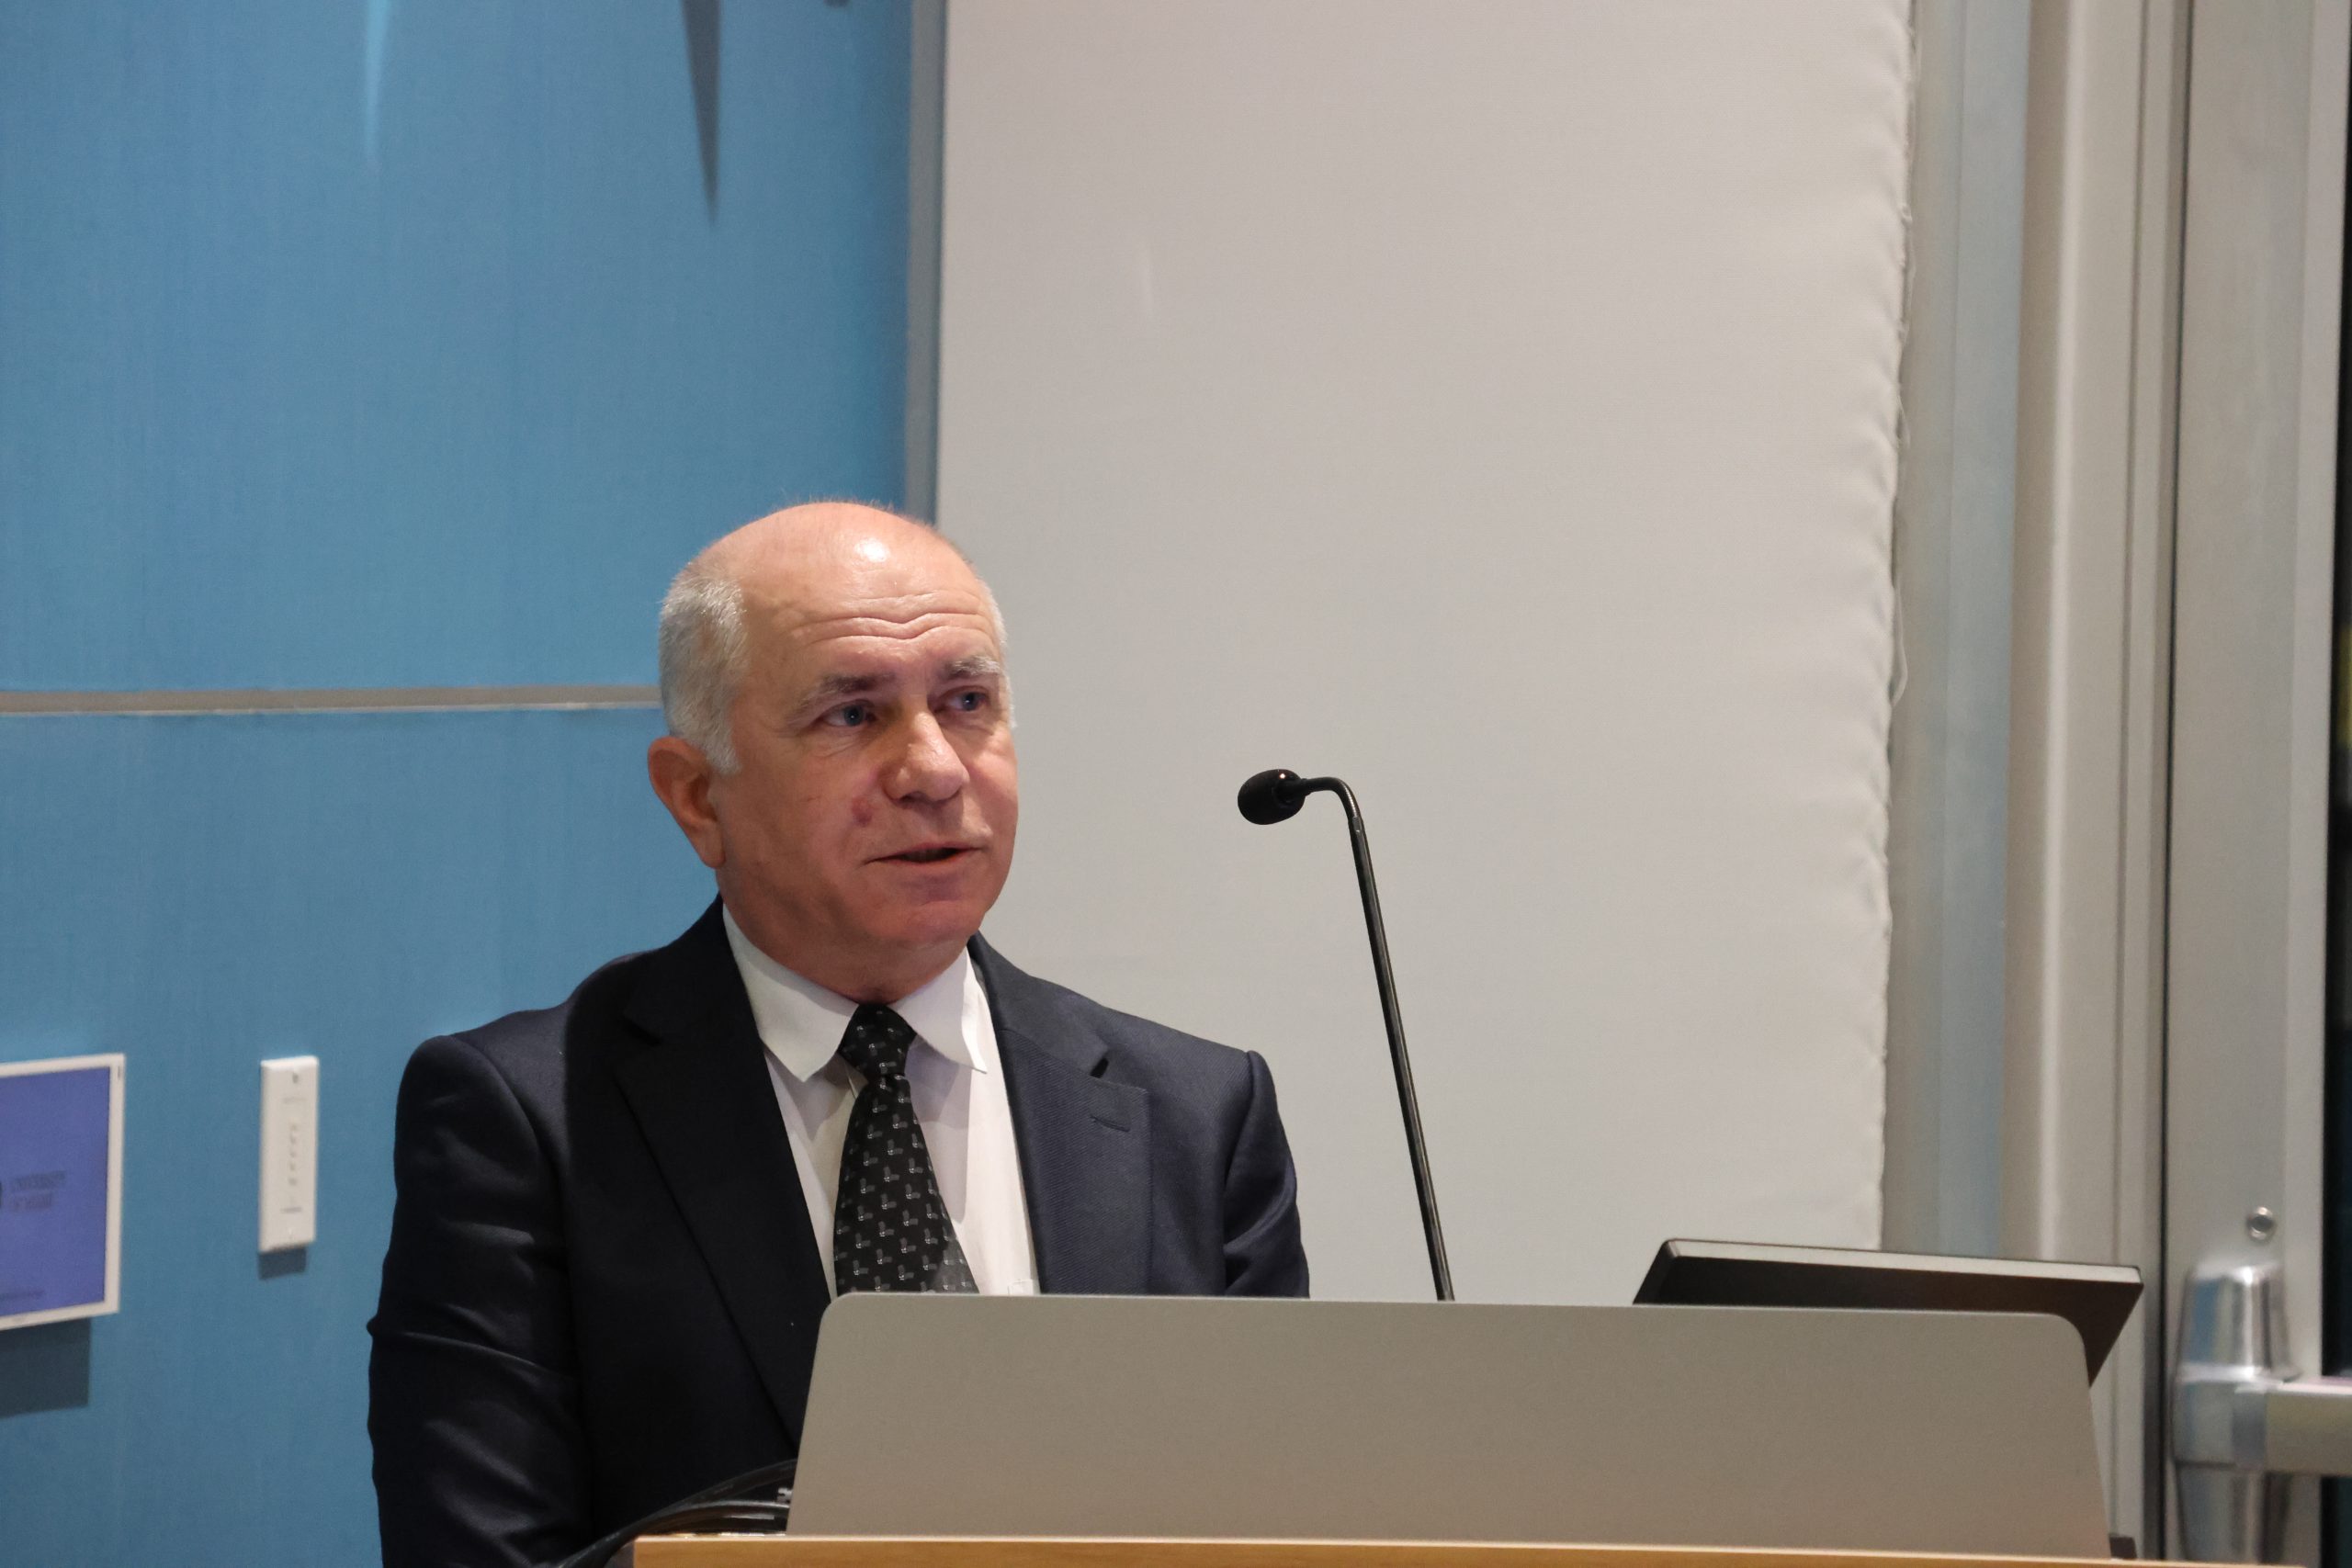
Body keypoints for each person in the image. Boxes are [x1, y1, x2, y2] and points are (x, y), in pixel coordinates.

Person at [367, 502, 1309, 1568]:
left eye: (967, 703)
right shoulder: (524, 1123)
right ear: (695, 796)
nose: (934, 770)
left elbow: (1272, 1523)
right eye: (852, 715)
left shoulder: (1198, 1114)